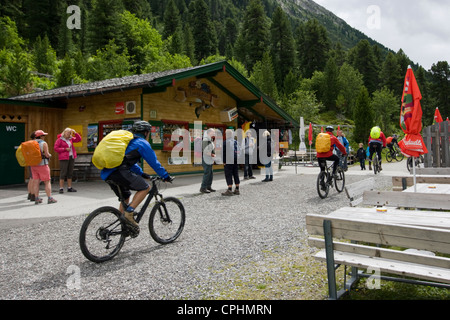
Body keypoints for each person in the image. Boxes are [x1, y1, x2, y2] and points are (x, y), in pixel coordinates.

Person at [100, 121, 172, 229]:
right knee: (145, 187)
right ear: (146, 132)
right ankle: (129, 213)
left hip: (107, 173)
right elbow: (154, 163)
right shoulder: (142, 143)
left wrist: (142, 173)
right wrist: (165, 175)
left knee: (126, 196)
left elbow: (128, 162)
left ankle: (122, 222)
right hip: (119, 172)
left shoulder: (128, 142)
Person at [31, 130, 57, 204]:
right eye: (43, 135)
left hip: (33, 165)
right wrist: (50, 155)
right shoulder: (43, 143)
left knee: (36, 182)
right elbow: (47, 154)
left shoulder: (31, 143)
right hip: (43, 164)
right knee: (47, 182)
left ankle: (36, 198)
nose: (44, 137)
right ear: (41, 136)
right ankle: (49, 198)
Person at [54, 127, 82, 193]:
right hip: (63, 157)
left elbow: (79, 139)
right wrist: (64, 149)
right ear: (64, 132)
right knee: (63, 172)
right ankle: (61, 188)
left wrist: (75, 133)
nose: (68, 134)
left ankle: (69, 187)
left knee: (70, 172)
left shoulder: (71, 139)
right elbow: (56, 148)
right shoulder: (59, 140)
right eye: (67, 132)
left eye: (70, 133)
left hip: (71, 157)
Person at [222, 129, 240, 196]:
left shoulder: (225, 142)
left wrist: (224, 161)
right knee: (236, 173)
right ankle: (237, 189)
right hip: (235, 160)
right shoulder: (236, 142)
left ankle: (229, 189)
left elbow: (223, 153)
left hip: (228, 160)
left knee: (228, 174)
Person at [200, 128, 216, 193]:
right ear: (209, 133)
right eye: (213, 132)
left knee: (210, 174)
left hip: (210, 159)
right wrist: (212, 155)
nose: (214, 133)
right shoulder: (206, 140)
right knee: (207, 173)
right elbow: (205, 151)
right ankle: (203, 188)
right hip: (206, 158)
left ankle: (208, 186)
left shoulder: (210, 139)